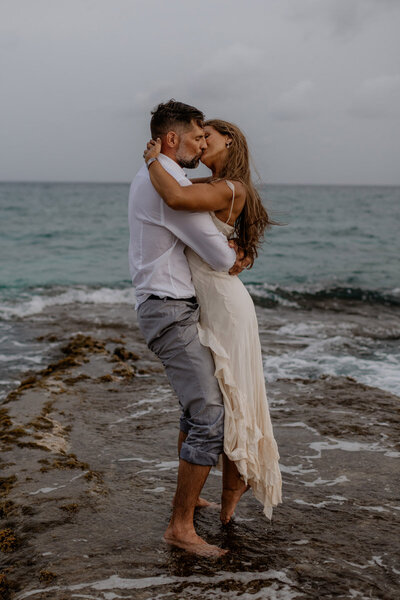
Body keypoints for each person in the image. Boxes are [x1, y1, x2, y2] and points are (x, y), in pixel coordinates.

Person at [143, 118, 282, 524]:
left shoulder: (228, 186)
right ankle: (220, 493)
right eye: (197, 136)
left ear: (230, 139)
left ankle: (231, 491)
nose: (201, 142)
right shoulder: (217, 184)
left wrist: (154, 160)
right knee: (222, 394)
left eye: (209, 136)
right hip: (208, 300)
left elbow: (176, 199)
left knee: (232, 394)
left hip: (224, 303)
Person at [128, 100, 249, 558]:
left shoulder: (154, 175)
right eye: (198, 135)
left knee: (193, 407)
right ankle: (180, 527)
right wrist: (237, 252)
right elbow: (220, 257)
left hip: (171, 307)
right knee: (208, 416)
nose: (202, 143)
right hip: (169, 311)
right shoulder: (168, 186)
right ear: (172, 139)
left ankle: (191, 496)